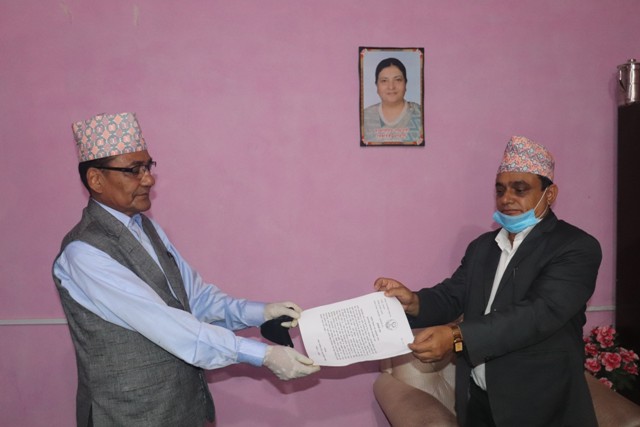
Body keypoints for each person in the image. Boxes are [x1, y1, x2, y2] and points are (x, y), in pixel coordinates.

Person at [52, 112, 320, 427]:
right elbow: (167, 324)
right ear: (96, 179)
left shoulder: (146, 228)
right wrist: (263, 356)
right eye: (134, 170)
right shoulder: (84, 253)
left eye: (148, 166)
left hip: (182, 408)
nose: (148, 179)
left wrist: (260, 312)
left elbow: (195, 300)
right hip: (129, 415)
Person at [374, 136, 602, 427]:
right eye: (500, 190)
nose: (507, 198)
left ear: (550, 194)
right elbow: (453, 295)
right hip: (479, 402)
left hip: (542, 405)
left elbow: (537, 314)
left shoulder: (575, 247)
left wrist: (457, 337)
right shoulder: (483, 246)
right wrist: (414, 301)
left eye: (520, 189)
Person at [362, 57, 423, 145]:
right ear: (377, 86)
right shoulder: (364, 117)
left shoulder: (421, 114)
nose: (391, 87)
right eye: (384, 81)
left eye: (398, 80)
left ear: (405, 83)